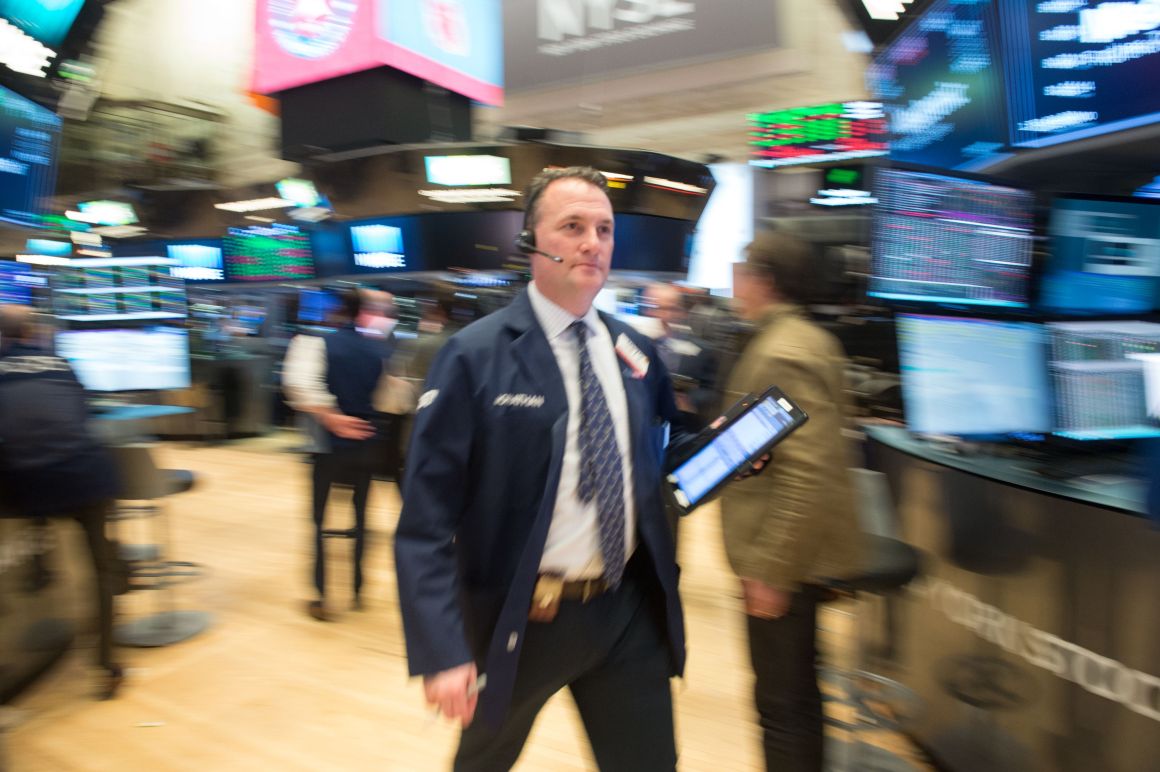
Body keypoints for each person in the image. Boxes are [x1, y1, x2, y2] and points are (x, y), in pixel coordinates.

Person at [394, 167, 695, 771]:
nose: (593, 242)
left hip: (623, 607)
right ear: (532, 244)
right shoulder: (474, 356)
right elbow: (425, 520)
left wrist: (725, 452)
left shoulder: (632, 349)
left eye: (604, 229)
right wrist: (441, 648)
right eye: (573, 226)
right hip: (524, 615)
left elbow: (657, 457)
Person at [722, 229, 864, 772]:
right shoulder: (806, 339)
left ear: (765, 280)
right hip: (795, 557)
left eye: (743, 268)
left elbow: (808, 474)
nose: (736, 280)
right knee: (800, 695)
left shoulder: (782, 351)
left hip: (782, 559)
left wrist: (770, 569)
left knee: (781, 705)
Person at [0, 305, 124, 699]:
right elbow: (80, 414)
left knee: (27, 508)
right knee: (101, 569)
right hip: (86, 477)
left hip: (28, 486)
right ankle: (106, 667)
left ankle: (41, 573)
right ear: (32, 332)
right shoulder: (60, 364)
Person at [282, 288, 395, 620]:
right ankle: (358, 590)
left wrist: (330, 416)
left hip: (326, 448)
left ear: (337, 312)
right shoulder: (379, 350)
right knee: (362, 519)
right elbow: (390, 397)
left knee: (319, 521)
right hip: (367, 445)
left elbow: (297, 386)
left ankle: (321, 595)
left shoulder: (315, 343)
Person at [641, 282, 719, 432]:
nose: (664, 315)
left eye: (670, 308)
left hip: (681, 427)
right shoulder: (639, 344)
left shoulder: (701, 350)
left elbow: (711, 391)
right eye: (658, 308)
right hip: (646, 425)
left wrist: (689, 400)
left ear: (682, 312)